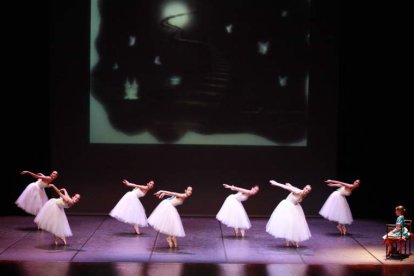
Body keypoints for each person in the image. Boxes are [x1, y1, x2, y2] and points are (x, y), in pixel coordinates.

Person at [266, 180, 312, 248]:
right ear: (304, 188)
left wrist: (290, 185)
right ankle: (288, 241)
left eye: (308, 190)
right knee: (289, 223)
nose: (306, 190)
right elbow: (285, 187)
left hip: (295, 208)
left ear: (309, 192)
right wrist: (276, 183)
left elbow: (293, 188)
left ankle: (296, 240)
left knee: (296, 224)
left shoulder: (303, 194)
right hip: (288, 206)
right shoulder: (298, 191)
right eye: (306, 188)